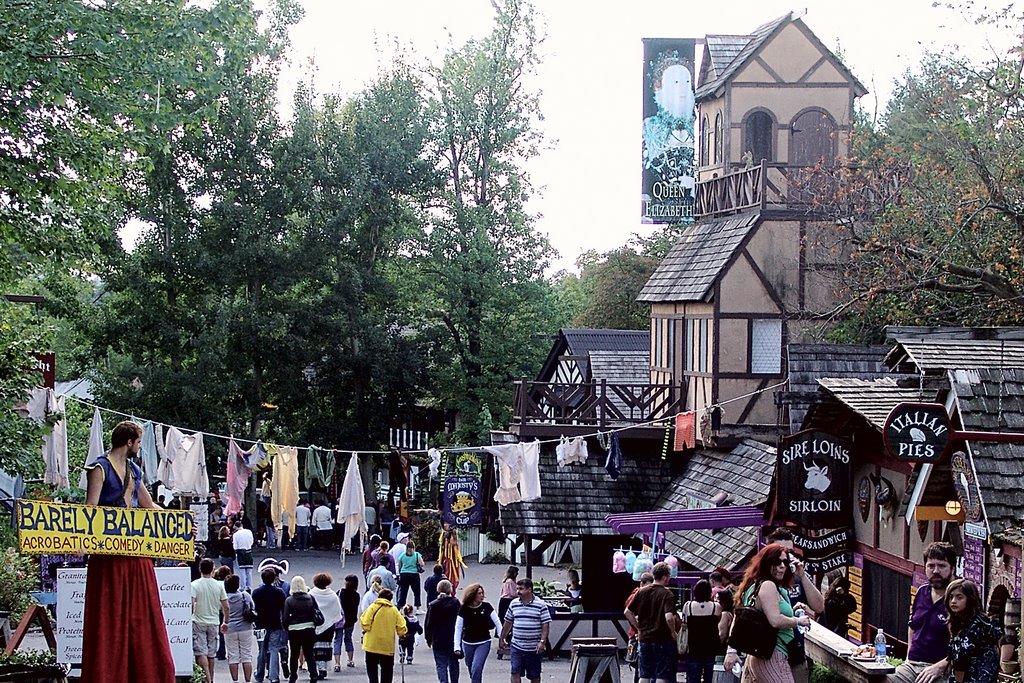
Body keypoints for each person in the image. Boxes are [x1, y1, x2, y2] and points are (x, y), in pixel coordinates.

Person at [80, 420, 176, 683]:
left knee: (144, 618)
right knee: (109, 617)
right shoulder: (100, 468)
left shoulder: (134, 469)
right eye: (137, 442)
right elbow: (91, 509)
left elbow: (148, 505)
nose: (139, 447)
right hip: (109, 555)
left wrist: (177, 523)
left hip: (136, 551)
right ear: (129, 442)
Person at [726, 544, 812, 683]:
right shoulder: (768, 585)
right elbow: (775, 620)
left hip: (764, 655)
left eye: (785, 562)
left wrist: (731, 651)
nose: (782, 566)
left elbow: (741, 616)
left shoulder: (757, 586)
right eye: (777, 562)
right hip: (771, 654)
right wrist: (798, 621)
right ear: (766, 564)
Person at [888, 542, 959, 683]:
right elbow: (913, 625)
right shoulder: (922, 591)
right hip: (912, 665)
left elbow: (969, 644)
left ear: (952, 568)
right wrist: (909, 655)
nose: (936, 571)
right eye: (931, 566)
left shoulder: (959, 598)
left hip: (941, 669)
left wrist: (942, 666)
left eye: (942, 565)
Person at [766, 528, 825, 683]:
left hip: (795, 655)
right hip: (769, 654)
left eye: (790, 551)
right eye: (781, 551)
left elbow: (819, 607)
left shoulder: (796, 579)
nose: (787, 556)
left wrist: (803, 576)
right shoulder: (762, 582)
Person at [624, 562, 681, 683]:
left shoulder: (641, 592)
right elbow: (669, 617)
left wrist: (639, 628)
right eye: (669, 576)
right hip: (663, 639)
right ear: (665, 577)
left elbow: (627, 612)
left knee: (644, 675)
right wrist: (673, 632)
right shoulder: (667, 594)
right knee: (661, 675)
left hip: (644, 638)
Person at [945, 579, 1001, 683]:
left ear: (970, 599)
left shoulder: (976, 624)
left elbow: (962, 658)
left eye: (959, 597)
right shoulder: (960, 621)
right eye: (950, 597)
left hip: (977, 676)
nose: (953, 601)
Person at [499, 577, 552, 683]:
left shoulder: (540, 605)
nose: (518, 591)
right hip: (517, 645)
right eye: (517, 589)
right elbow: (508, 622)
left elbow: (545, 625)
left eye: (521, 589)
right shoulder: (514, 603)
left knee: (534, 675)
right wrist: (502, 637)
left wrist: (542, 642)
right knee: (515, 671)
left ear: (529, 589)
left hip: (534, 647)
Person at [192, 557, 231, 683]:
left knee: (200, 652)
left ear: (200, 569)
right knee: (211, 653)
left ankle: (207, 678)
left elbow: (191, 603)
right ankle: (211, 678)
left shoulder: (194, 585)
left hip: (198, 620)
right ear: (213, 570)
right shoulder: (219, 585)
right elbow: (226, 606)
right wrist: (226, 621)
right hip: (214, 621)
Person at [455, 583, 503, 683]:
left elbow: (497, 622)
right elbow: (458, 628)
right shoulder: (464, 609)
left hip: (483, 642)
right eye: (479, 593)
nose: (482, 595)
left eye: (482, 593)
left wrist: (501, 638)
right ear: (472, 595)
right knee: (471, 668)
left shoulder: (487, 607)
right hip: (467, 643)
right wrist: (457, 646)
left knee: (477, 667)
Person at [361, 587, 408, 683]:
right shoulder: (394, 610)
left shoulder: (372, 607)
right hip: (387, 645)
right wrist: (402, 635)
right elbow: (401, 627)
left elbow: (365, 624)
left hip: (371, 644)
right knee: (387, 670)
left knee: (372, 669)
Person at [682, 579, 722, 683]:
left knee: (693, 677)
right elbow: (718, 620)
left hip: (693, 647)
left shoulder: (688, 606)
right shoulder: (716, 607)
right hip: (711, 647)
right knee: (710, 678)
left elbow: (684, 623)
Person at [253, 567, 288, 683]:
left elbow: (254, 608)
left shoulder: (256, 592)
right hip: (275, 624)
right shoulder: (279, 592)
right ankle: (274, 676)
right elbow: (284, 608)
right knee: (274, 650)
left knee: (262, 650)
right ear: (274, 578)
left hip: (260, 624)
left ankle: (259, 675)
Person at [283, 576, 319, 683]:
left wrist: (287, 628)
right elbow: (316, 612)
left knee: (294, 654)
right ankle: (313, 675)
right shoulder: (311, 598)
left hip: (294, 629)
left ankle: (293, 676)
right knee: (309, 653)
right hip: (309, 628)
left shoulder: (289, 600)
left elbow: (285, 617)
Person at [425, 579, 461, 683]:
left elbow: (429, 623)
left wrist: (428, 638)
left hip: (438, 638)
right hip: (453, 637)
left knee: (441, 664)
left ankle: (443, 681)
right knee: (454, 662)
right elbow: (461, 620)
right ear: (450, 589)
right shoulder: (455, 603)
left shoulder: (433, 605)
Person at [308, 572, 342, 680]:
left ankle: (316, 668)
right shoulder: (332, 595)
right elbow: (337, 610)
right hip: (328, 626)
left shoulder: (311, 594)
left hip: (314, 624)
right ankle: (324, 669)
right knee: (326, 646)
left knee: (314, 647)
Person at [224, 574, 257, 683]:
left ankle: (235, 680)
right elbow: (252, 607)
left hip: (230, 628)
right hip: (245, 628)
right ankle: (247, 680)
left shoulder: (224, 598)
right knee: (246, 655)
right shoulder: (245, 595)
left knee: (233, 656)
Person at [334, 575, 360, 671]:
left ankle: (337, 663)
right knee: (348, 639)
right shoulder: (356, 595)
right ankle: (350, 659)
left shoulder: (340, 593)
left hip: (340, 619)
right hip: (350, 620)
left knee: (337, 640)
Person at [398, 540, 426, 611]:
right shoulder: (417, 554)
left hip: (404, 574)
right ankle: (417, 607)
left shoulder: (402, 555)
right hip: (414, 574)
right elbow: (422, 564)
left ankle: (401, 606)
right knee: (416, 591)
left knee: (403, 591)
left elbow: (399, 565)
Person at [234, 522, 256, 592]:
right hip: (248, 552)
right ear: (242, 525)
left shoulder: (235, 535)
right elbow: (252, 542)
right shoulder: (249, 532)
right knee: (249, 572)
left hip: (240, 553)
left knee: (242, 572)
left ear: (235, 527)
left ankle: (242, 587)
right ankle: (249, 587)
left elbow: (235, 547)